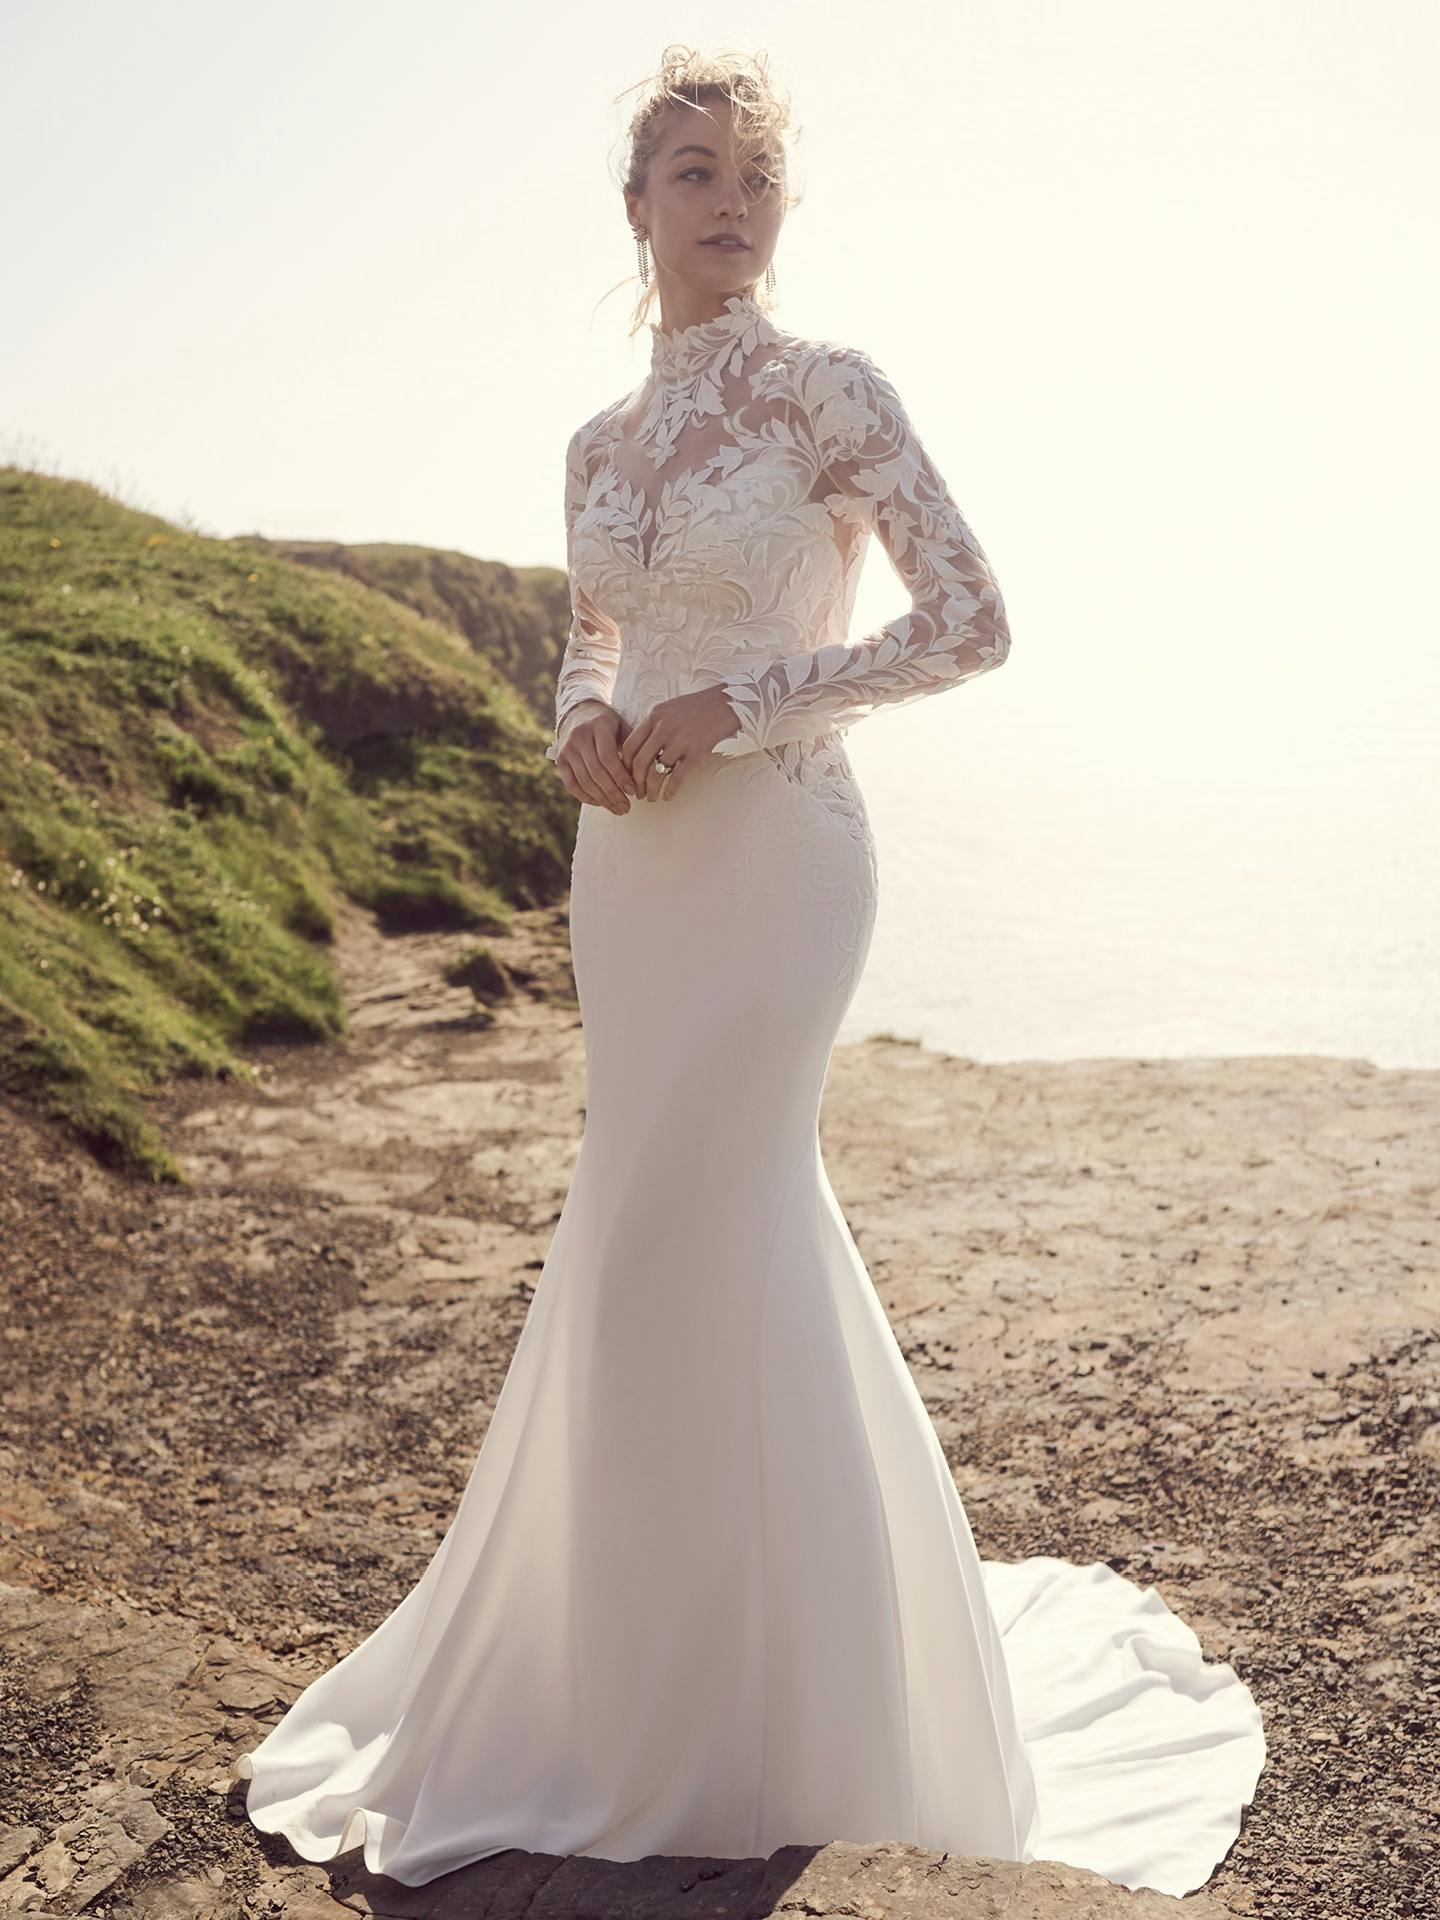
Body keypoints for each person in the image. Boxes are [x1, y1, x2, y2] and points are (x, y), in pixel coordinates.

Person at [232, 44, 1266, 1896]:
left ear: (780, 213)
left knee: (689, 1231)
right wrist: (580, 721)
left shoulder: (831, 398)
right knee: (650, 1242)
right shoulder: (598, 446)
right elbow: (590, 634)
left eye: (756, 178)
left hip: (784, 852)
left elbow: (973, 623)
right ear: (635, 210)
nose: (728, 203)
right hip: (629, 869)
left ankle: (763, 1711)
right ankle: (646, 1680)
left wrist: (749, 700)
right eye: (693, 174)